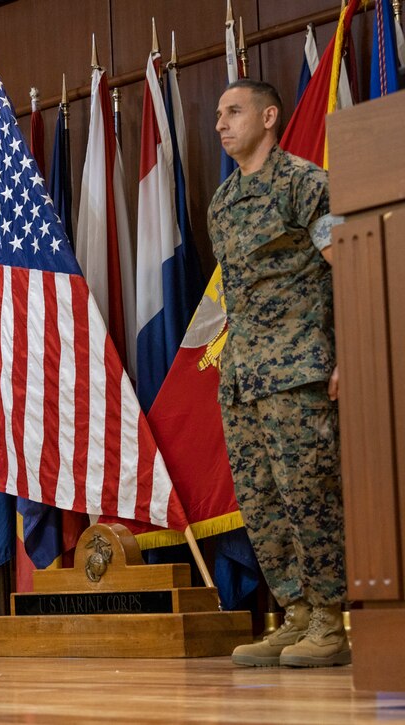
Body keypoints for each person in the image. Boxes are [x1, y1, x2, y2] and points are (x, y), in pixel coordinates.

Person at [208, 80, 348, 668]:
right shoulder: (221, 202)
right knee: (263, 503)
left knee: (308, 496)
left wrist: (350, 353)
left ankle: (330, 620)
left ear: (269, 117)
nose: (221, 123)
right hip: (243, 378)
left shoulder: (304, 183)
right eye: (217, 114)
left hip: (297, 370)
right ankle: (292, 614)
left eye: (233, 111)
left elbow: (348, 263)